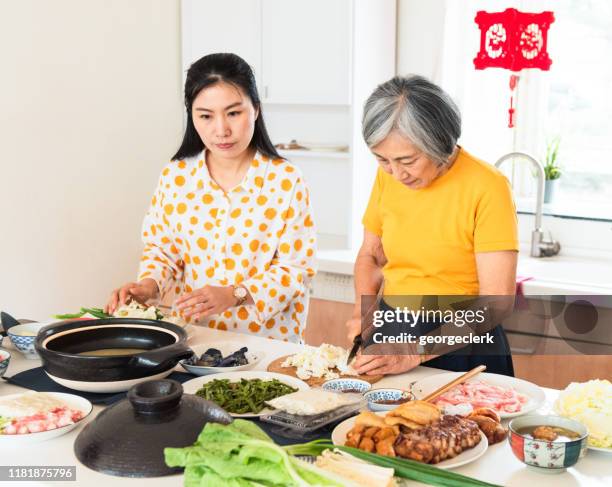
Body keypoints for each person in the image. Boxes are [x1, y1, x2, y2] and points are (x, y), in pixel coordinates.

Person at [106, 53, 316, 343]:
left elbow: (296, 270)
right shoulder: (176, 176)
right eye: (205, 116)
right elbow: (163, 250)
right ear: (192, 116)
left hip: (266, 345)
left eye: (233, 113)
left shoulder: (285, 180)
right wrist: (149, 285)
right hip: (196, 340)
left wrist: (235, 295)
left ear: (255, 109)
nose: (221, 130)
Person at [347, 75, 518, 376]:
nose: (396, 174)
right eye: (382, 160)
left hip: (463, 342)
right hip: (393, 331)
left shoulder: (488, 186)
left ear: (440, 143)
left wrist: (415, 351)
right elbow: (372, 255)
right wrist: (364, 310)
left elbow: (497, 304)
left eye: (407, 160)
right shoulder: (389, 176)